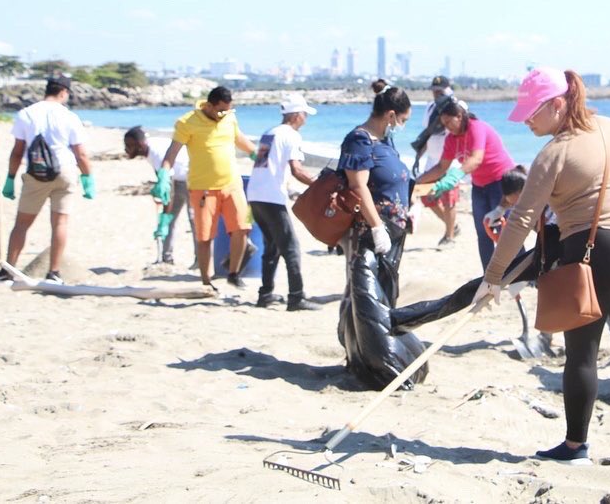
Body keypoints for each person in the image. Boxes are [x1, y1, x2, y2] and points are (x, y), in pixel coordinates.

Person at [477, 67, 610, 466]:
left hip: (596, 250)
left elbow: (521, 219)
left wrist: (493, 278)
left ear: (558, 104)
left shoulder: (554, 153)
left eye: (532, 112)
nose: (526, 120)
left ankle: (575, 446)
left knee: (581, 352)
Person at [337, 80, 430, 388]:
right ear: (390, 115)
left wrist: (410, 207)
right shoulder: (359, 140)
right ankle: (359, 355)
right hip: (370, 230)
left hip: (395, 229)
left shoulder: (385, 141)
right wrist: (377, 227)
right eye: (402, 119)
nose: (403, 125)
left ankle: (376, 350)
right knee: (363, 293)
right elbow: (358, 186)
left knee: (386, 293)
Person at [0, 76, 94, 283]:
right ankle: (54, 272)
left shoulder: (26, 114)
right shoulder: (69, 116)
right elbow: (81, 153)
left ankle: (8, 270)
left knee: (22, 223)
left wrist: (10, 178)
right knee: (60, 223)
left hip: (36, 173)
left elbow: (17, 152)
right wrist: (87, 177)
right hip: (64, 171)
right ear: (64, 92)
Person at [155, 86, 256, 290]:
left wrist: (257, 154)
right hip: (203, 189)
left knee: (243, 228)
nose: (224, 115)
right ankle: (206, 282)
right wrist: (164, 174)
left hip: (233, 184)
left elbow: (239, 139)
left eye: (228, 110)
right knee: (204, 237)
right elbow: (172, 152)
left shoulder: (229, 117)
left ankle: (233, 273)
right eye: (220, 111)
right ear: (208, 106)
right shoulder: (187, 122)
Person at [416, 97, 516, 269]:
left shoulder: (476, 127)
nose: (447, 127)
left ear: (459, 116)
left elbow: (476, 159)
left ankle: (520, 273)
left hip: (501, 183)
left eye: (449, 122)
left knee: (505, 231)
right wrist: (416, 182)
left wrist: (454, 176)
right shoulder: (451, 139)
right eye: (444, 124)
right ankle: (488, 276)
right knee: (483, 232)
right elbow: (441, 167)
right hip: (479, 186)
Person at [246, 95, 321, 311]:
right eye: (304, 114)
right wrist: (319, 184)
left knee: (272, 245)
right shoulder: (291, 135)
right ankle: (296, 297)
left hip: (255, 194)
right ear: (296, 115)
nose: (306, 118)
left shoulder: (269, 133)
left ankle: (265, 294)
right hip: (271, 198)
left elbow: (269, 166)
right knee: (291, 247)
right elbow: (297, 169)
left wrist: (290, 189)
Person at [123, 125, 196, 265]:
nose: (126, 149)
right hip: (176, 179)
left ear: (139, 144)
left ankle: (199, 261)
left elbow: (168, 189)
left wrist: (165, 216)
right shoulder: (150, 150)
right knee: (170, 220)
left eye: (129, 146)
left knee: (193, 220)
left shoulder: (156, 153)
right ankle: (166, 258)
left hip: (191, 179)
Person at [412, 76, 461, 246]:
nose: (436, 94)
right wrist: (418, 155)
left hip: (451, 162)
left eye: (440, 91)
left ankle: (449, 236)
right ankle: (452, 226)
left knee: (449, 200)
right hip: (432, 162)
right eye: (434, 91)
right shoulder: (430, 108)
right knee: (427, 197)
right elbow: (427, 134)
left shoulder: (458, 107)